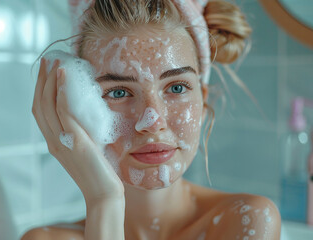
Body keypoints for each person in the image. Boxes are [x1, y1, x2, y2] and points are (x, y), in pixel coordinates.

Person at [23, 0, 281, 239]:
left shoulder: (246, 221)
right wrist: (104, 201)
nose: (152, 120)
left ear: (203, 102)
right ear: (77, 107)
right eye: (119, 92)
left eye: (177, 88)